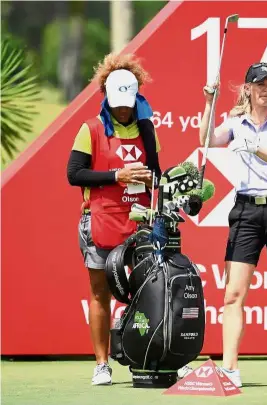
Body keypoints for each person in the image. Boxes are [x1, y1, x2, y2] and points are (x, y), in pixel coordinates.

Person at [199, 62, 267, 388]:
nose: (266, 89)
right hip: (245, 211)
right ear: (248, 88)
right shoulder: (234, 123)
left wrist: (254, 147)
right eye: (259, 84)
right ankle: (230, 368)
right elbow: (206, 139)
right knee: (232, 293)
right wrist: (207, 102)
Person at [67, 53, 162, 385]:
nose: (123, 109)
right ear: (106, 97)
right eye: (117, 102)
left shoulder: (147, 129)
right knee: (99, 293)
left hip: (139, 223)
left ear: (137, 98)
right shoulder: (90, 128)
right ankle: (102, 364)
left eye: (128, 102)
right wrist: (116, 175)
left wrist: (151, 179)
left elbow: (157, 173)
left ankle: (150, 356)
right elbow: (74, 175)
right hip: (100, 221)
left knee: (149, 292)